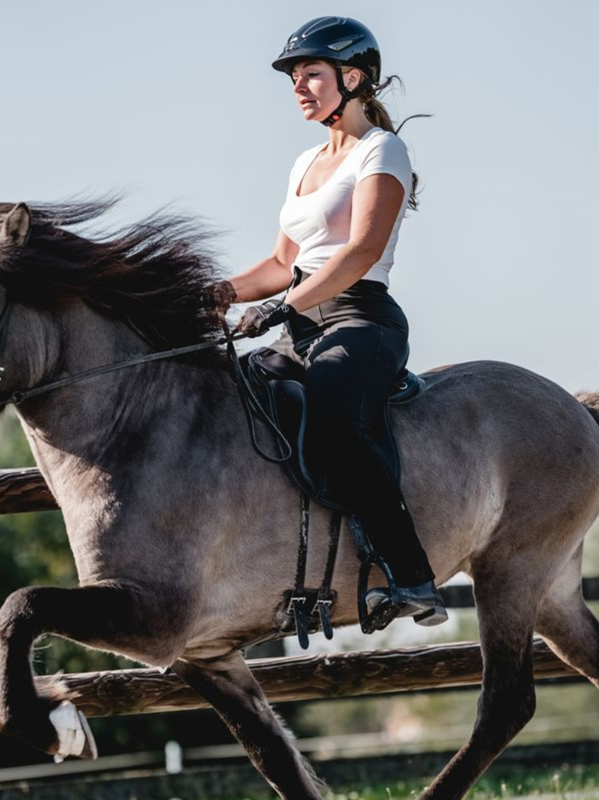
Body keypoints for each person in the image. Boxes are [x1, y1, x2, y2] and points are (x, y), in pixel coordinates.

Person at [212, 17, 447, 628]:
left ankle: (413, 576)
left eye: (310, 74)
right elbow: (280, 263)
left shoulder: (382, 150)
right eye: (294, 77)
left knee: (338, 425)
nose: (298, 87)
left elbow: (360, 252)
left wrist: (280, 307)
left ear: (353, 77)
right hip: (299, 322)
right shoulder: (304, 163)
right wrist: (217, 292)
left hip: (361, 319)